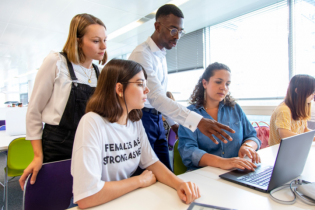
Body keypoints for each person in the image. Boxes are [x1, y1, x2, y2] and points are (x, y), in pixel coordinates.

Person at [71, 59, 200, 209]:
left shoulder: (134, 120)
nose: (147, 90)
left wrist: (179, 184)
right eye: (140, 84)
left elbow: (151, 162)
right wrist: (139, 181)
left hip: (120, 200)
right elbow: (87, 196)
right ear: (119, 89)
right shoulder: (92, 122)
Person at [129, 4, 234, 170]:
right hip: (143, 118)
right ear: (157, 26)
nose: (177, 36)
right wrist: (197, 121)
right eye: (173, 30)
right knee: (146, 174)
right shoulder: (142, 54)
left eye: (180, 31)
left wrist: (174, 125)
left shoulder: (161, 55)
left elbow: (161, 96)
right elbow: (155, 97)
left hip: (156, 118)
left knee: (165, 171)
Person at [19, 13, 107, 190]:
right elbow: (34, 111)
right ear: (78, 40)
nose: (103, 46)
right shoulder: (57, 62)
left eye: (105, 40)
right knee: (56, 197)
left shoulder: (99, 73)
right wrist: (37, 156)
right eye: (96, 41)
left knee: (85, 198)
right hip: (59, 145)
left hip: (88, 146)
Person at [178, 62, 261, 171]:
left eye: (228, 84)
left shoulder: (235, 109)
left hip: (237, 172)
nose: (223, 87)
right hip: (205, 174)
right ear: (204, 83)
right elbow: (188, 151)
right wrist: (223, 162)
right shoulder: (190, 114)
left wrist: (248, 146)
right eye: (218, 82)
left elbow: (252, 136)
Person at [269, 74, 315, 146]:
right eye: (311, 91)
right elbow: (284, 134)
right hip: (280, 151)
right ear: (297, 91)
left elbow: (304, 130)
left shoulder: (300, 108)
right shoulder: (284, 110)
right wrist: (307, 138)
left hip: (294, 147)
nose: (314, 94)